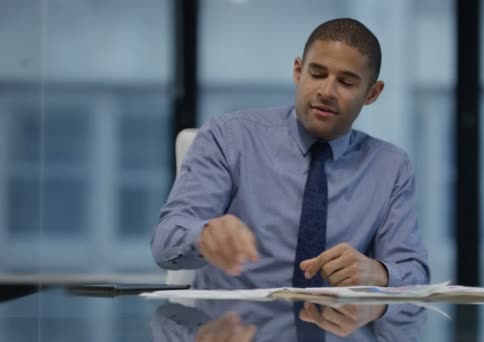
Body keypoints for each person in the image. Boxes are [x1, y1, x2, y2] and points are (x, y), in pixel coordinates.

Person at [151, 18, 429, 290]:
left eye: (346, 82)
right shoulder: (229, 137)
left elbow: (414, 271)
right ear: (298, 71)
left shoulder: (391, 166)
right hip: (233, 327)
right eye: (317, 74)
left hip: (339, 330)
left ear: (372, 93)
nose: (326, 91)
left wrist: (378, 272)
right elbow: (165, 242)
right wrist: (204, 236)